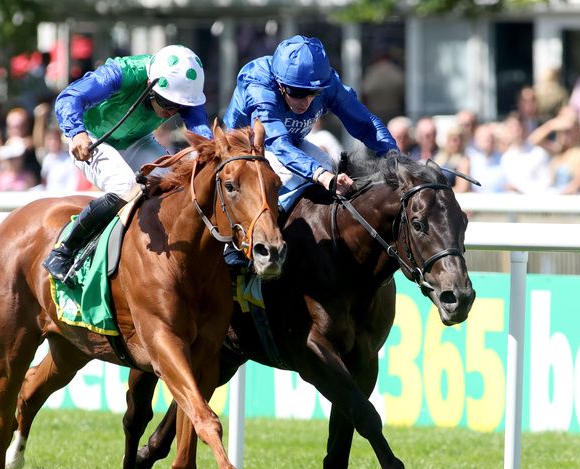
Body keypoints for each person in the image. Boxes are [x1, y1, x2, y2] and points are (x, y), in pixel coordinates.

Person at [43, 44, 213, 284]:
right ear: (150, 86)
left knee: (177, 182)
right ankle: (63, 251)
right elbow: (69, 98)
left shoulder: (184, 88)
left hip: (137, 140)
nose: (172, 112)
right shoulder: (121, 72)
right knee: (125, 186)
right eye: (167, 104)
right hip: (91, 137)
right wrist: (76, 132)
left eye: (179, 107)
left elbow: (201, 133)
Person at [224, 35, 397, 212]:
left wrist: (394, 157)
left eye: (314, 93)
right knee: (292, 176)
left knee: (331, 169)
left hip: (292, 143)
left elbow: (366, 124)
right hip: (246, 148)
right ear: (279, 84)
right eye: (297, 92)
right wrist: (321, 176)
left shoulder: (329, 84)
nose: (305, 102)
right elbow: (278, 144)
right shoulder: (260, 87)